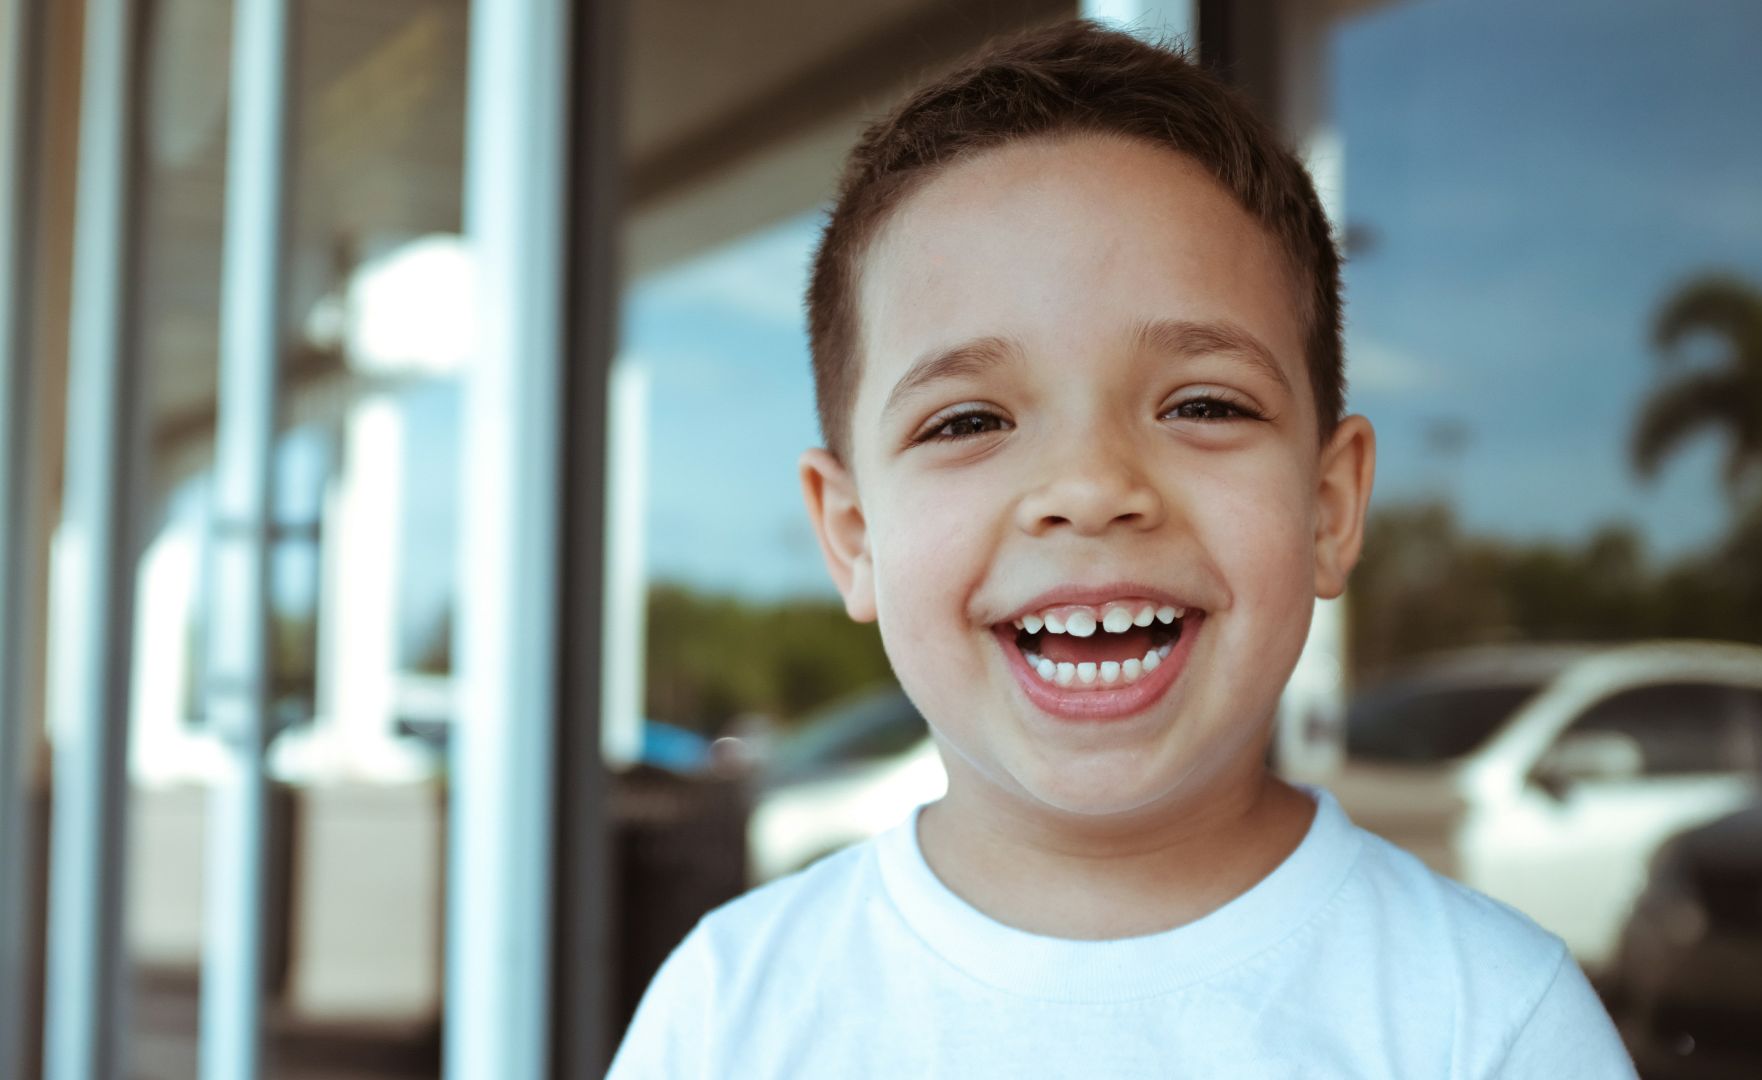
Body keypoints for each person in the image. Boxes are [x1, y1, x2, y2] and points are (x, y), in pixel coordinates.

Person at [607, 18, 1638, 1078]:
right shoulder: (731, 1009)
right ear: (853, 535)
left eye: (1202, 403)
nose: (1092, 489)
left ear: (1328, 508)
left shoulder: (1487, 1021)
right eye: (969, 422)